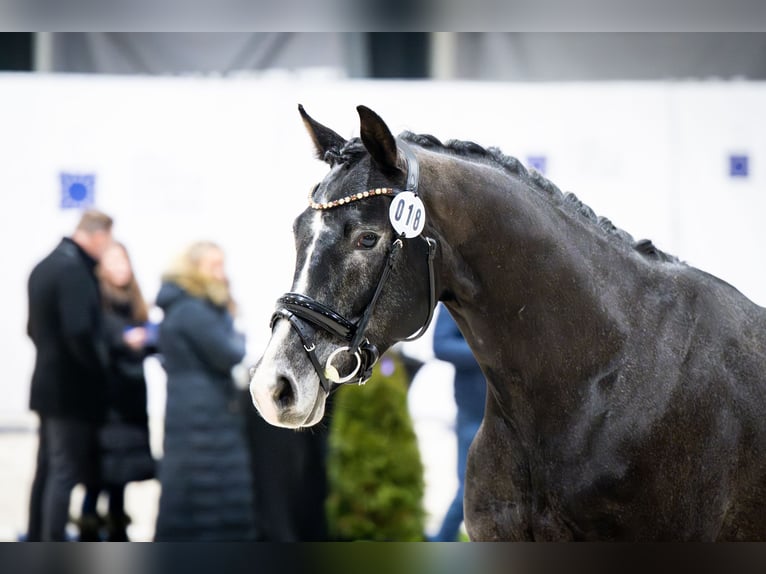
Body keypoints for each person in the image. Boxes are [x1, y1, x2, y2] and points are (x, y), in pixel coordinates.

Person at [153, 241, 256, 541]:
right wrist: (235, 329)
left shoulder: (190, 306)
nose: (220, 273)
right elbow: (229, 352)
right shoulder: (192, 310)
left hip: (198, 410)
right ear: (193, 269)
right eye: (213, 266)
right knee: (202, 496)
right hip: (201, 414)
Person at [26, 210, 114, 541]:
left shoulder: (45, 266)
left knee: (48, 469)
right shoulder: (74, 270)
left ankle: (37, 538)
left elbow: (32, 329)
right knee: (64, 473)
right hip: (71, 390)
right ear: (99, 236)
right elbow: (79, 333)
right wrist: (100, 369)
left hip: (47, 386)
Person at [78, 241, 157, 541]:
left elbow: (148, 339)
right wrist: (123, 342)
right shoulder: (96, 302)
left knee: (121, 477)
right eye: (112, 261)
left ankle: (116, 531)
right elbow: (96, 345)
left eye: (123, 260)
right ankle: (89, 530)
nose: (119, 267)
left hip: (133, 399)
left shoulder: (135, 302)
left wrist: (146, 340)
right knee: (99, 474)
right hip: (107, 401)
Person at [430, 304, 487, 542]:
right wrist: (486, 353)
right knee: (469, 486)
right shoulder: (457, 300)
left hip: (512, 409)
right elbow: (440, 345)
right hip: (473, 409)